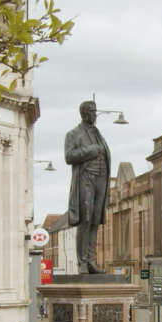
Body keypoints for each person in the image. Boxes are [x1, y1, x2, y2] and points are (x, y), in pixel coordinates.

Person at [65, 100, 111, 274]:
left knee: (95, 222)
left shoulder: (99, 134)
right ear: (83, 113)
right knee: (85, 220)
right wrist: (91, 150)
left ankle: (91, 261)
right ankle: (82, 262)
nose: (95, 114)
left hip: (101, 179)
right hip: (86, 178)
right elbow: (69, 156)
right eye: (92, 112)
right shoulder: (73, 134)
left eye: (95, 111)